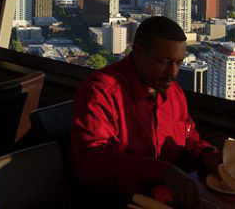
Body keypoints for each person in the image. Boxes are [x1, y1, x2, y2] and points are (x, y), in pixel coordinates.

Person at [70, 16, 221, 209]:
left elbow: (187, 135)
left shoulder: (173, 92)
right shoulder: (101, 92)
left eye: (178, 63)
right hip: (113, 199)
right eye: (164, 61)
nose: (172, 72)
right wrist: (162, 171)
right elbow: (93, 161)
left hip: (162, 195)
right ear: (139, 52)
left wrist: (208, 154)